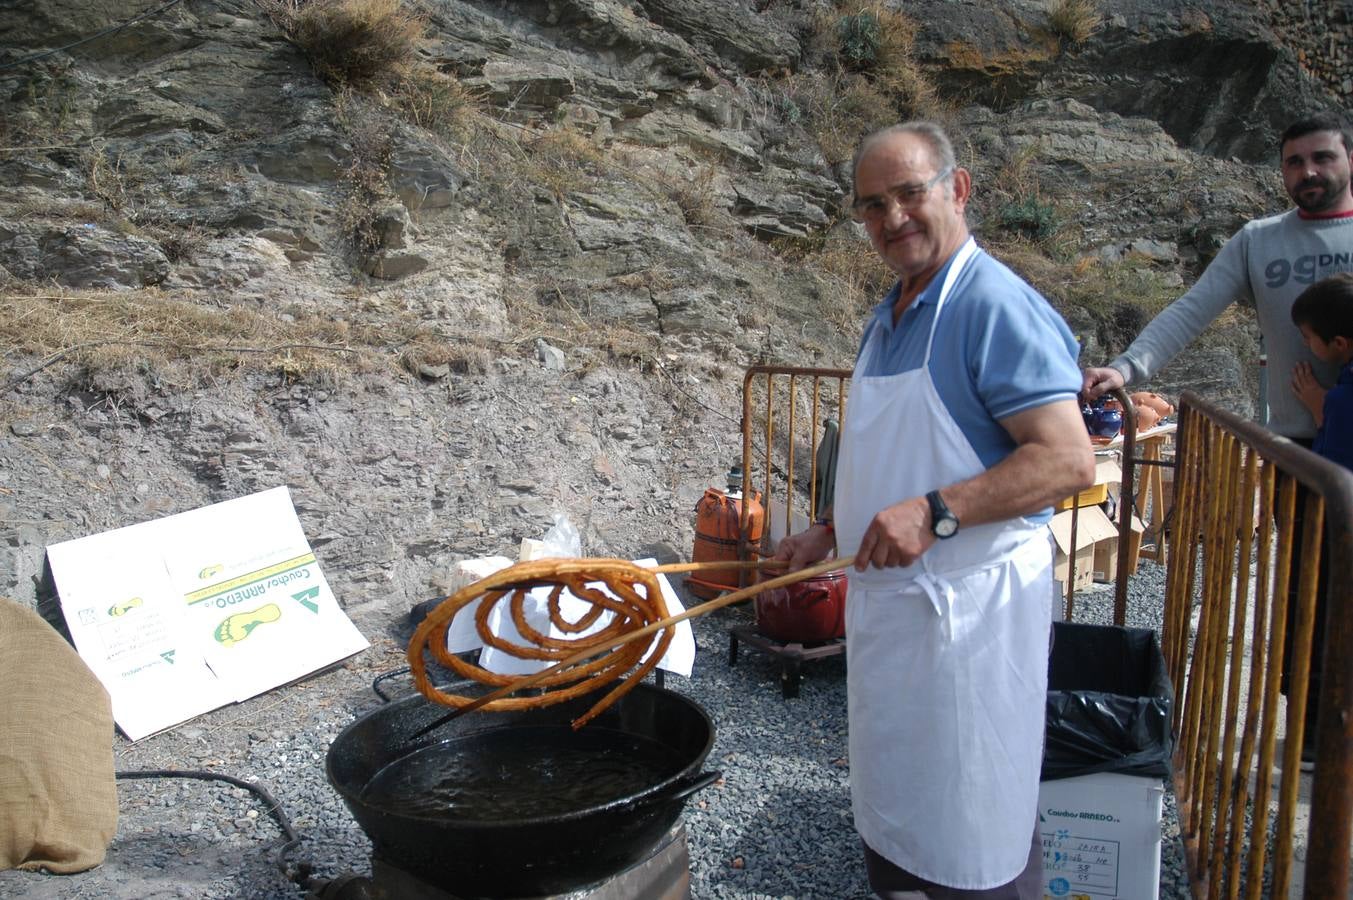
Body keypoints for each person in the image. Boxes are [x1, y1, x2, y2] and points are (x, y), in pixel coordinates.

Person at [775, 122, 1094, 899]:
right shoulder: (886, 316)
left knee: (971, 827)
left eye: (909, 194)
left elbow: (1065, 459)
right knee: (901, 818)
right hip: (895, 626)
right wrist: (831, 528)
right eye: (871, 205)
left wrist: (936, 512)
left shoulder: (992, 305)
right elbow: (887, 454)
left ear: (956, 189)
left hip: (969, 625)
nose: (892, 220)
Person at [1081, 114, 1353, 436]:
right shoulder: (1257, 240)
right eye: (1294, 162)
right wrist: (1124, 368)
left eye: (1323, 158)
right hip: (1293, 451)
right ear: (1281, 169)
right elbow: (1191, 310)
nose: (1308, 171)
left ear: (1350, 160)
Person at [1291, 272, 1353, 471]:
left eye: (1307, 336)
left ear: (1339, 343)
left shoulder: (1341, 400)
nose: (1304, 343)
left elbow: (1333, 477)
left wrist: (1321, 417)